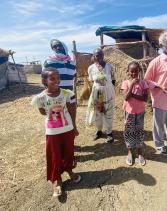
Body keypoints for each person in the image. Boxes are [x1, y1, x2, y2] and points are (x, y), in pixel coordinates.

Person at [31, 67, 81, 197]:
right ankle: (58, 180)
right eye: (52, 78)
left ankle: (70, 171)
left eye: (58, 77)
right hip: (52, 132)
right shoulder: (40, 98)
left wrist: (74, 127)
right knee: (55, 156)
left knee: (69, 152)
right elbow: (43, 112)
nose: (57, 80)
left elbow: (72, 110)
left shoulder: (67, 93)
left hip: (67, 129)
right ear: (44, 80)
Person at [120, 61, 149, 166]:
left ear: (139, 71)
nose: (134, 74)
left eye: (136, 71)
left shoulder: (143, 83)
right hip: (129, 112)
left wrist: (132, 94)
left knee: (139, 131)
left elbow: (145, 98)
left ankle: (140, 153)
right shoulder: (125, 83)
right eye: (131, 72)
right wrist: (132, 84)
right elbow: (126, 97)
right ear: (128, 72)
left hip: (140, 112)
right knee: (129, 132)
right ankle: (130, 152)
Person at [86, 48, 116, 143]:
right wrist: (98, 90)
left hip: (109, 93)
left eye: (101, 55)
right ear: (94, 56)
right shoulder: (91, 68)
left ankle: (109, 133)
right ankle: (99, 131)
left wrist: (107, 88)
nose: (99, 57)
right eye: (97, 55)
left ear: (103, 55)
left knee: (109, 112)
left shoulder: (110, 67)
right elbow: (91, 81)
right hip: (97, 93)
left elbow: (114, 80)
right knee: (98, 112)